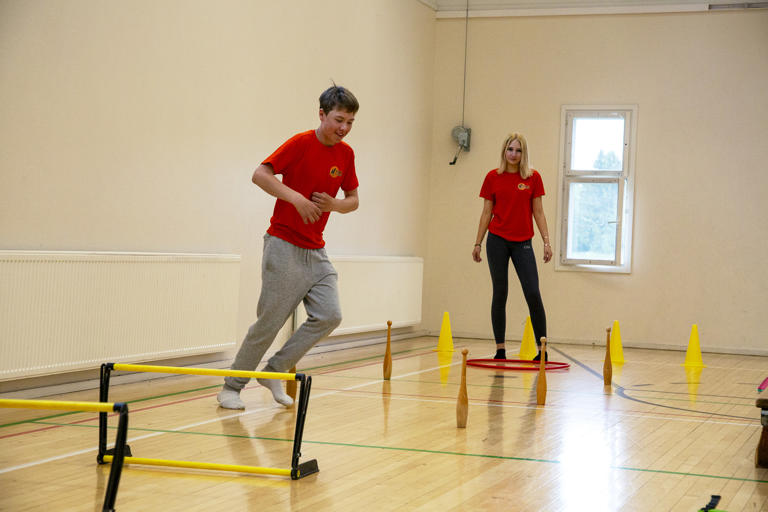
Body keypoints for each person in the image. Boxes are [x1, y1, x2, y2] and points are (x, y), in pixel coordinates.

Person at [217, 85, 360, 409]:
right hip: (283, 245)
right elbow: (260, 174)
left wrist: (335, 205)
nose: (344, 128)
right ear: (322, 114)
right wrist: (295, 198)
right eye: (339, 120)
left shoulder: (346, 154)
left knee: (330, 315)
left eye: (350, 122)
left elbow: (353, 199)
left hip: (316, 251)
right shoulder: (300, 143)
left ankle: (275, 369)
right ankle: (231, 387)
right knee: (270, 322)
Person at [472, 133, 552, 362]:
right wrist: (478, 243)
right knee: (500, 292)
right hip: (497, 240)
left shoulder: (533, 178)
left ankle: (542, 349)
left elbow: (539, 212)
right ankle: (500, 349)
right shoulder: (492, 177)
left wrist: (546, 242)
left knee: (533, 293)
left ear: (523, 153)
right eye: (510, 149)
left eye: (518, 150)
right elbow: (486, 212)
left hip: (523, 242)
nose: (514, 154)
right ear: (504, 151)